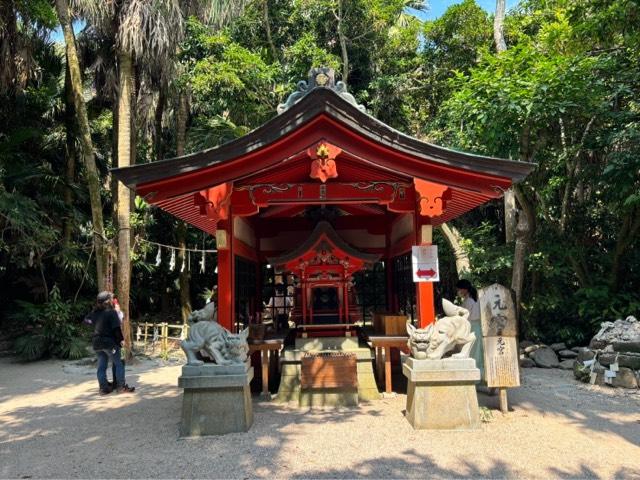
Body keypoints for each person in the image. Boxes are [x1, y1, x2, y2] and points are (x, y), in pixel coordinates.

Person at [86, 291, 135, 395]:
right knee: (120, 362)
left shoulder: (94, 312)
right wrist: (121, 341)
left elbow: (86, 321)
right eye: (112, 299)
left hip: (96, 343)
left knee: (102, 365)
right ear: (108, 301)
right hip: (109, 343)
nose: (113, 300)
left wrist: (95, 325)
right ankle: (121, 387)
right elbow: (116, 329)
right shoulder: (111, 312)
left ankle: (103, 388)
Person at [456, 279, 484, 377]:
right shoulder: (473, 299)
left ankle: (475, 378)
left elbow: (465, 318)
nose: (458, 292)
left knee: (473, 354)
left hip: (472, 327)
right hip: (476, 327)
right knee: (476, 353)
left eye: (459, 289)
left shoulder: (469, 301)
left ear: (465, 289)